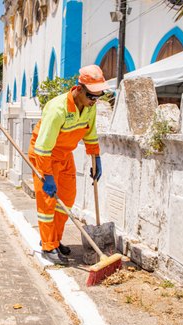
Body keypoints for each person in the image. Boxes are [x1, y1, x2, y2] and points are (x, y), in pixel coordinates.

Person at [28, 65, 110, 265]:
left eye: (98, 97)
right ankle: (48, 246)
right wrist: (47, 175)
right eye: (91, 96)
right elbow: (43, 147)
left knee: (66, 199)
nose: (94, 101)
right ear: (79, 89)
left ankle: (55, 240)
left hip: (65, 156)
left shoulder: (90, 106)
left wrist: (95, 157)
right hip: (44, 156)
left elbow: (89, 132)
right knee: (47, 203)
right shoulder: (58, 109)